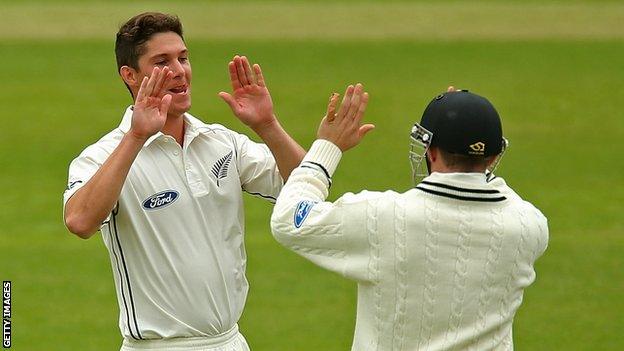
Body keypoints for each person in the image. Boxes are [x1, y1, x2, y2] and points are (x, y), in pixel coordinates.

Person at [63, 12, 305, 351]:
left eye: (183, 57)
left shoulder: (221, 142)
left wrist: (267, 125)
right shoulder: (103, 156)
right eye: (162, 61)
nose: (179, 71)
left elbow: (306, 189)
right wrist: (136, 136)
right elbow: (80, 221)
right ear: (130, 75)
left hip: (231, 341)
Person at [270, 85, 549, 350]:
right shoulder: (529, 226)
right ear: (493, 156)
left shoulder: (382, 217)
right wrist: (469, 133)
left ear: (431, 150)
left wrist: (327, 147)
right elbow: (490, 188)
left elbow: (288, 219)